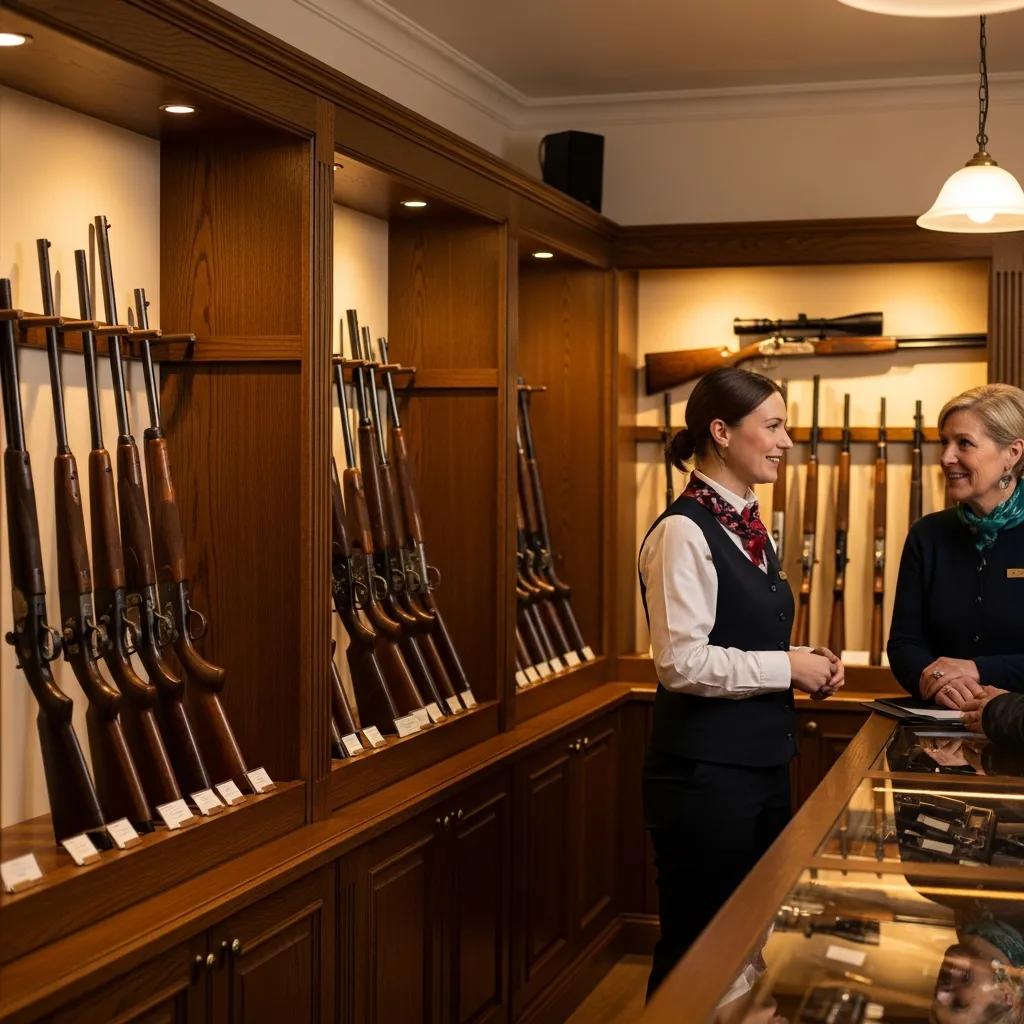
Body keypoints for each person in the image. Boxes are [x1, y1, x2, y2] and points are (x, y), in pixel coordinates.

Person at [639, 367, 844, 1000]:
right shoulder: (682, 532)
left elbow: (734, 637)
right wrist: (787, 667)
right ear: (721, 432)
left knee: (745, 937)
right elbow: (681, 664)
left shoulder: (747, 523)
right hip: (704, 780)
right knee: (698, 947)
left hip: (755, 768)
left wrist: (799, 655)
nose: (786, 442)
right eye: (774, 426)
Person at [888, 384, 1024, 710]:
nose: (947, 458)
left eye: (964, 443)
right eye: (944, 442)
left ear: (1013, 453)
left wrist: (977, 670)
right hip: (940, 730)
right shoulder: (927, 534)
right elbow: (904, 644)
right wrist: (938, 684)